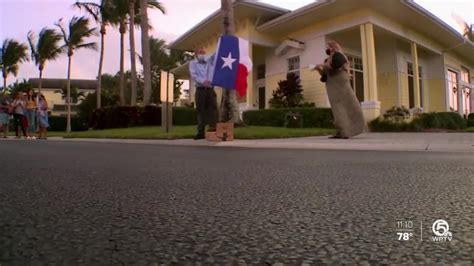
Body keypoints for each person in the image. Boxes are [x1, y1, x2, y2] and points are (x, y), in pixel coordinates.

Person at [314, 41, 365, 138]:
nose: (327, 49)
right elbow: (324, 76)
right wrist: (318, 69)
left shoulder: (339, 56)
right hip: (332, 89)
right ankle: (341, 132)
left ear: (333, 47)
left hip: (341, 86)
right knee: (337, 110)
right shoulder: (326, 60)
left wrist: (322, 65)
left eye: (328, 47)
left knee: (348, 106)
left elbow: (335, 66)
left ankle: (352, 130)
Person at [189, 48, 217, 140]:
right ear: (196, 54)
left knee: (212, 110)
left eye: (204, 52)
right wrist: (202, 81)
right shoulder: (193, 63)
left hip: (210, 89)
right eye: (200, 52)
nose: (203, 54)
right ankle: (200, 132)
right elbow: (194, 75)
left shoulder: (210, 61)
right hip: (200, 89)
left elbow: (215, 54)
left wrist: (222, 41)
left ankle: (213, 131)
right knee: (201, 111)